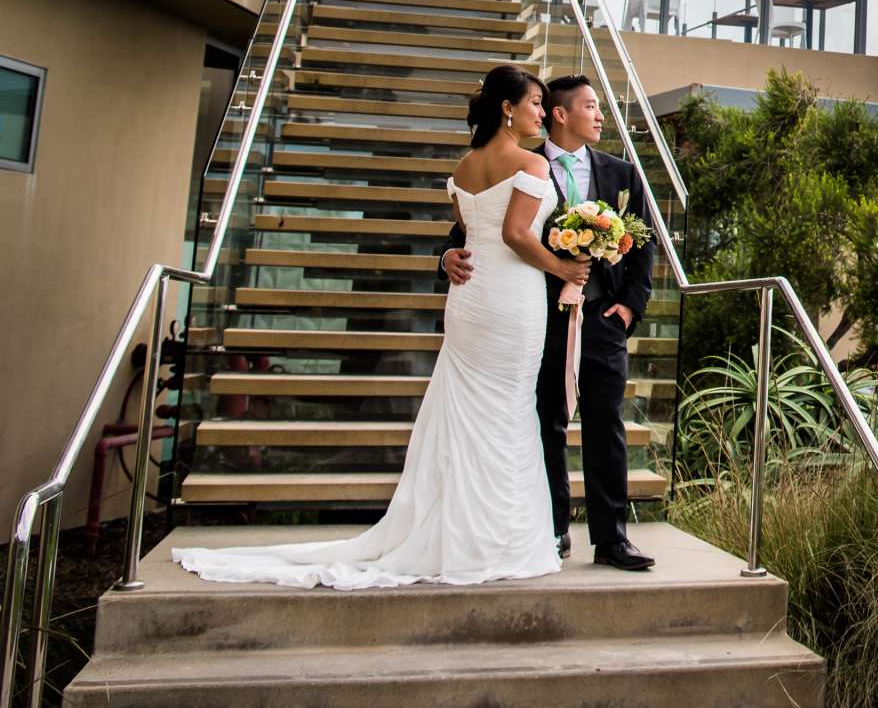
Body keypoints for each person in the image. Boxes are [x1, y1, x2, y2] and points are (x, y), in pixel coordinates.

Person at [171, 65, 584, 588]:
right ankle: (493, 537)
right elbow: (516, 234)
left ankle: (472, 531)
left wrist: (448, 258)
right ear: (508, 107)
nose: (542, 113)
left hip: (470, 298)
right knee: (508, 411)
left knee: (478, 411)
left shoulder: (463, 167)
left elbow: (469, 234)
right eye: (534, 104)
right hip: (509, 302)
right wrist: (564, 267)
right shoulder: (531, 165)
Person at [442, 73, 657, 571]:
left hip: (603, 318)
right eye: (590, 105)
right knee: (545, 424)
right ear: (559, 113)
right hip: (538, 315)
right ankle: (554, 531)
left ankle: (612, 539)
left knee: (607, 426)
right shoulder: (524, 161)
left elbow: (643, 246)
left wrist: (629, 307)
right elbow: (474, 227)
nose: (601, 115)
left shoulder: (622, 173)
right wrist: (447, 257)